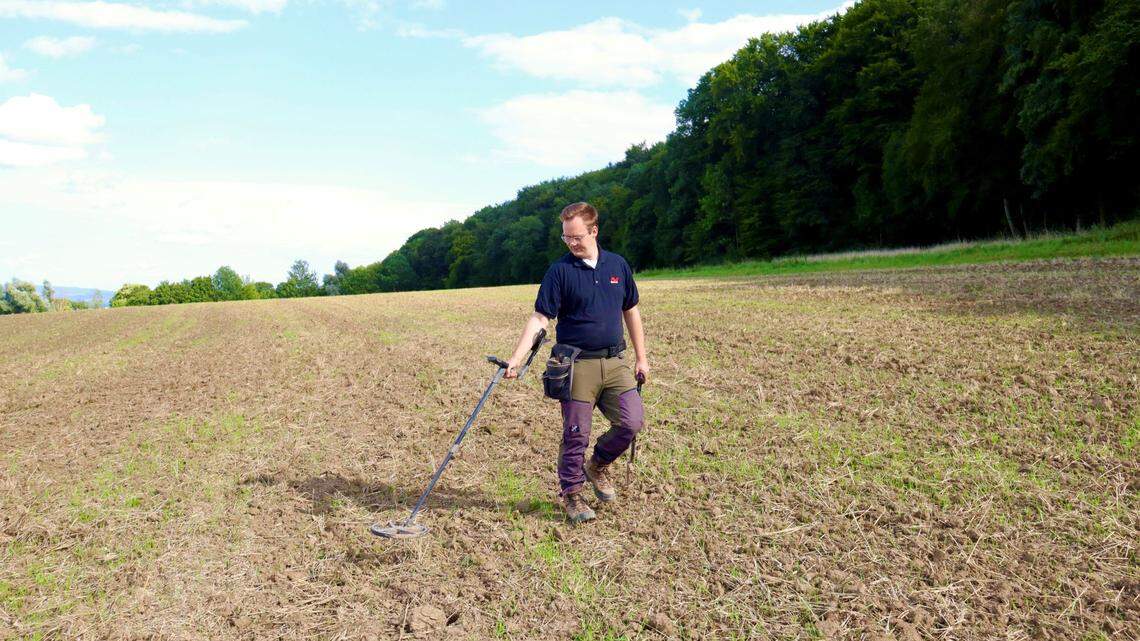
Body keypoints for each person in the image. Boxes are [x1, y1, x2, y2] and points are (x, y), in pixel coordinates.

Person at [504, 202, 649, 524]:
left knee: (631, 423)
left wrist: (641, 357)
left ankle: (597, 465)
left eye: (577, 237)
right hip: (577, 364)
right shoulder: (560, 271)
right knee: (576, 435)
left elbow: (631, 310)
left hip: (615, 362)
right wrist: (516, 357)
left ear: (594, 231)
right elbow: (540, 317)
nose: (571, 243)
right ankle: (572, 494)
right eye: (566, 237)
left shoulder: (617, 265)